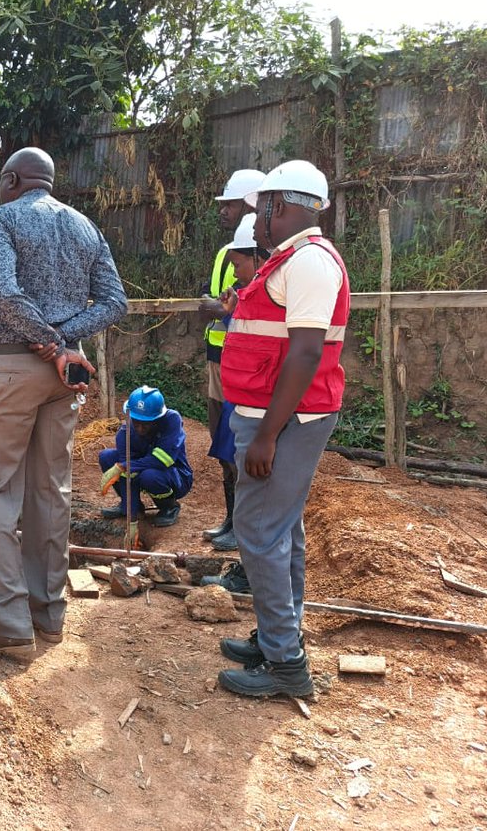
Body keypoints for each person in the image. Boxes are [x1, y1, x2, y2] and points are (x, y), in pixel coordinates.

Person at [0, 146, 127, 657]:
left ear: (10, 179)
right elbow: (116, 302)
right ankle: (47, 616)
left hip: (12, 366)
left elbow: (4, 293)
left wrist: (48, 342)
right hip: (64, 378)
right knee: (49, 493)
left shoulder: (2, 219)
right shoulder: (85, 227)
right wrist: (66, 343)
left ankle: (8, 619)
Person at [216, 160, 350, 699]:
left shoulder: (311, 263)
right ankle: (278, 638)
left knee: (261, 533)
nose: (258, 219)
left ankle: (285, 664)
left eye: (262, 208)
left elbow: (307, 351)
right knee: (282, 531)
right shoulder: (289, 262)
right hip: (273, 415)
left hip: (288, 420)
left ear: (281, 205)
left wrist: (269, 434)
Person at [199, 169, 265, 551]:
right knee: (223, 444)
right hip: (219, 356)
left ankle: (243, 528)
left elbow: (236, 307)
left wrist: (221, 310)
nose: (223, 210)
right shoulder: (228, 253)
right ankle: (232, 520)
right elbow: (220, 302)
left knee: (237, 444)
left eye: (230, 203)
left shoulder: (264, 257)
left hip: (241, 362)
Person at [97, 386, 193, 528]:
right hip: (143, 471)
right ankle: (130, 505)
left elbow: (162, 460)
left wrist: (124, 466)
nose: (140, 428)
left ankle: (169, 507)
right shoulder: (124, 433)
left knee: (149, 475)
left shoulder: (172, 420)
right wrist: (132, 517)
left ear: (158, 418)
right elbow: (127, 475)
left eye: (146, 423)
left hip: (174, 476)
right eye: (136, 422)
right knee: (107, 457)